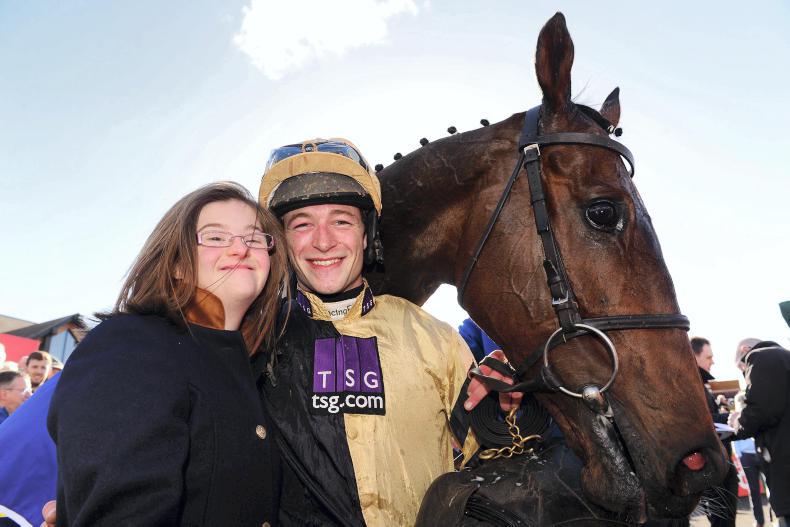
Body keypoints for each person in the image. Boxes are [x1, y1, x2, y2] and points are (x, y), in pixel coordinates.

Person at [257, 138, 480, 526]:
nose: (323, 241)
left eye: (341, 221)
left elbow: (497, 451)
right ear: (283, 242)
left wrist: (510, 406)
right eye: (302, 224)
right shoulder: (254, 341)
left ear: (366, 235)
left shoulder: (434, 336)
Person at [47, 182, 287, 526]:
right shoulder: (130, 344)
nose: (240, 248)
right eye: (215, 237)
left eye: (253, 238)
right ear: (176, 264)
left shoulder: (252, 369)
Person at [729, 339, 790, 526]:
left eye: (743, 369)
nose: (745, 376)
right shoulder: (784, 358)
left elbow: (759, 411)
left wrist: (737, 422)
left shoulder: (760, 357)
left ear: (745, 350)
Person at [690, 336, 738, 527]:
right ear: (694, 356)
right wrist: (732, 419)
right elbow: (701, 422)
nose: (713, 362)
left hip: (720, 465)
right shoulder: (692, 385)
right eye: (709, 357)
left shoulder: (702, 383)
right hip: (713, 468)